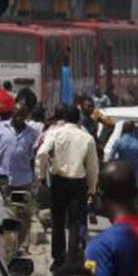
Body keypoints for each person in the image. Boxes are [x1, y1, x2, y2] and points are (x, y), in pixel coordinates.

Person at [35, 103, 100, 267]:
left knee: (57, 220)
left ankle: (58, 258)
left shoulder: (55, 133)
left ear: (63, 118)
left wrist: (41, 176)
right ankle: (74, 258)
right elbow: (93, 167)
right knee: (76, 221)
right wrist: (92, 188)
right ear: (78, 119)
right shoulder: (87, 137)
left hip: (58, 181)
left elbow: (42, 153)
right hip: (78, 183)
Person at [0, 102, 43, 245]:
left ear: (27, 116)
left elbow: (33, 159)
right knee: (2, 214)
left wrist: (35, 179)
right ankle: (2, 243)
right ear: (12, 113)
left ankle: (18, 246)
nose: (19, 118)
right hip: (1, 180)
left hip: (22, 182)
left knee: (22, 215)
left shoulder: (32, 134)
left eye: (22, 116)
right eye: (17, 115)